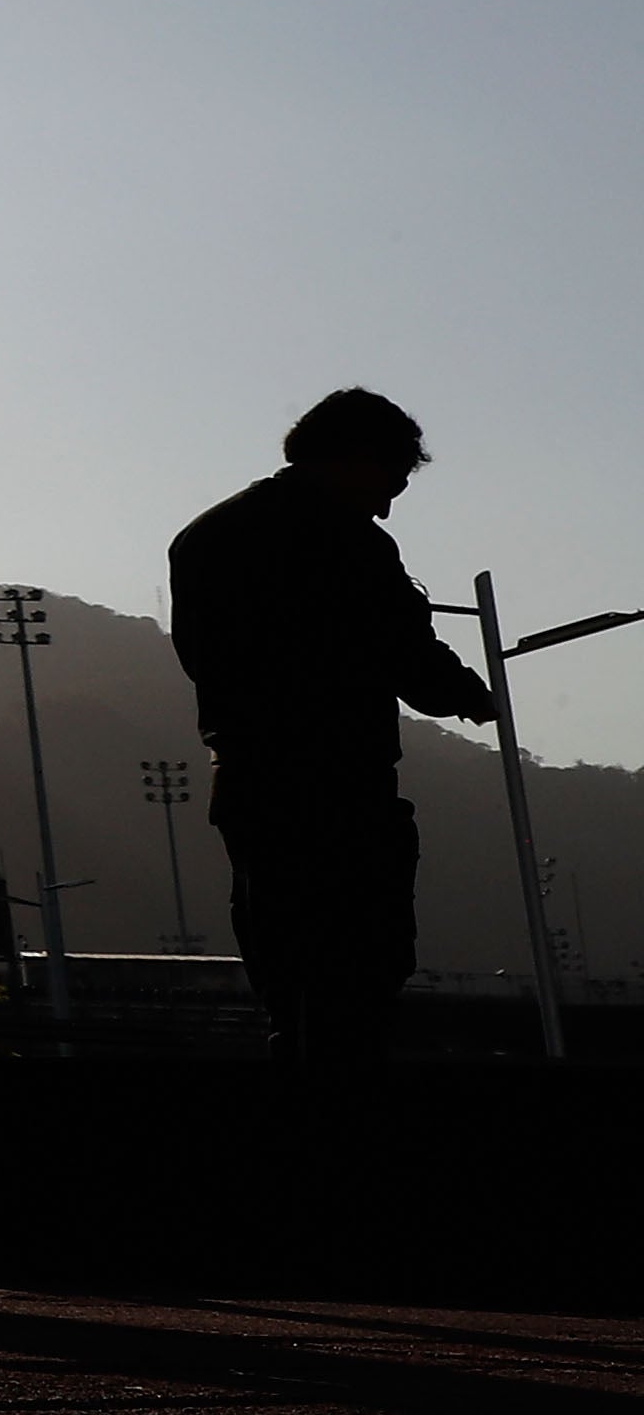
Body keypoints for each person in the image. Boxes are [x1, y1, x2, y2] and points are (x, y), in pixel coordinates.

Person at [165, 387, 500, 1064]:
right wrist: (471, 693)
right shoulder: (349, 542)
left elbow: (197, 658)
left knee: (286, 969)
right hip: (340, 788)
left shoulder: (204, 537)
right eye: (393, 480)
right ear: (358, 458)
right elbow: (404, 651)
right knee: (359, 971)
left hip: (247, 785)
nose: (388, 501)